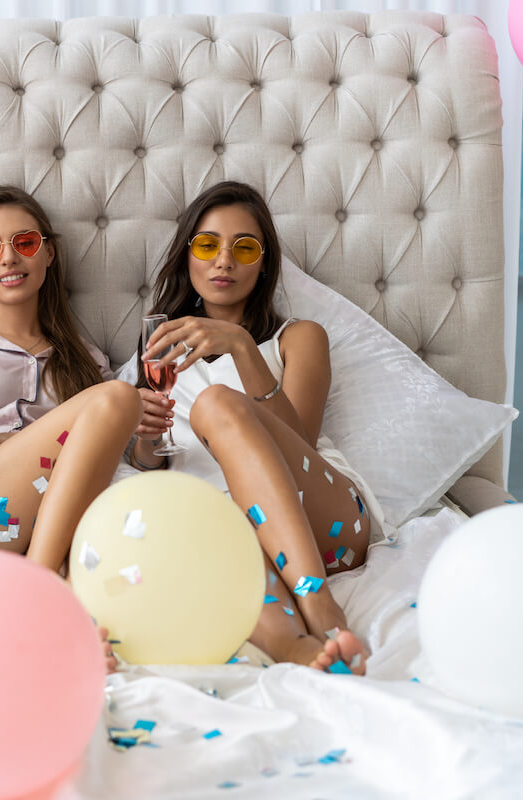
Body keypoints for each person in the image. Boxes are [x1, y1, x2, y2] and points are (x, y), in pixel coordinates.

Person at [125, 181, 386, 675]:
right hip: (230, 521)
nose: (224, 260)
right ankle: (301, 650)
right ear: (187, 257)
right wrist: (143, 436)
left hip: (324, 521)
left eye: (244, 248)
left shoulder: (299, 338)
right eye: (207, 245)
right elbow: (149, 463)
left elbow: (301, 444)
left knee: (216, 403)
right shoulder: (160, 347)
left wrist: (243, 346)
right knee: (213, 532)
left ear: (263, 263)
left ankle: (322, 608)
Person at [0, 186, 143, 580]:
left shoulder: (87, 360)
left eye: (25, 242)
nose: (8, 258)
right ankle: (38, 587)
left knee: (100, 580)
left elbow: (115, 455)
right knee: (120, 397)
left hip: (56, 516)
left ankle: (57, 606)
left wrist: (150, 434)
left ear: (48, 253)